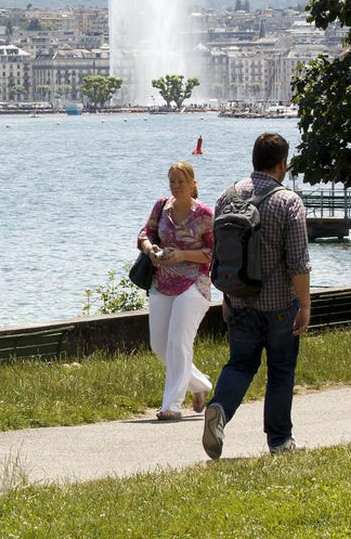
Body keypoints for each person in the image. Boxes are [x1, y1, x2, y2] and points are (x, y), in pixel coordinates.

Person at [203, 132, 311, 459]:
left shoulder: (227, 197)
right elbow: (298, 262)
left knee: (239, 364)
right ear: (282, 163)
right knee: (280, 369)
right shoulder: (287, 201)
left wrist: (226, 296)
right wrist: (304, 303)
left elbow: (221, 255)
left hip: (238, 300)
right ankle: (280, 441)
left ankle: (219, 409)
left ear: (254, 159)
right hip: (279, 305)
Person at [137, 161, 215, 421]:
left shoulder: (204, 214)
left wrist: (182, 255)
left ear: (193, 183)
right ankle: (200, 385)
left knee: (178, 342)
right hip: (162, 281)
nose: (176, 186)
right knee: (159, 345)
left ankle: (172, 405)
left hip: (194, 283)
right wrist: (151, 251)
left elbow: (213, 253)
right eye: (172, 181)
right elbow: (145, 234)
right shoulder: (162, 206)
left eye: (181, 181)